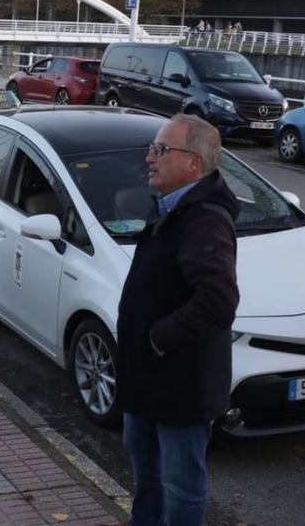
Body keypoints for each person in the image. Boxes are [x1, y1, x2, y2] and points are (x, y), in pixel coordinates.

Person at [115, 114, 241, 526]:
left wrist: (157, 338)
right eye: (153, 148)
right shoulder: (172, 207)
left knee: (181, 484)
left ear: (194, 163)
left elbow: (219, 302)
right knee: (147, 473)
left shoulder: (203, 218)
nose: (150, 158)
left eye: (161, 150)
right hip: (148, 379)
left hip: (180, 384)